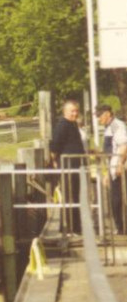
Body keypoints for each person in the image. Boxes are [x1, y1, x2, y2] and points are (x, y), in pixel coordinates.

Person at [50, 99, 86, 234]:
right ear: (65, 112)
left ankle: (75, 227)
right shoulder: (62, 125)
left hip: (76, 166)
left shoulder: (73, 125)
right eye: (72, 111)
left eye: (77, 111)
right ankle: (69, 227)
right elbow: (54, 145)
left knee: (75, 196)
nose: (75, 113)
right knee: (69, 196)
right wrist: (55, 161)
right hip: (67, 165)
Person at [95, 103, 127, 237]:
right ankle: (120, 228)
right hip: (113, 169)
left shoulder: (116, 126)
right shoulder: (108, 128)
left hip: (120, 169)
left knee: (117, 200)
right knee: (115, 200)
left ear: (107, 113)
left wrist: (120, 164)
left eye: (99, 115)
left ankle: (121, 229)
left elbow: (124, 146)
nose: (98, 118)